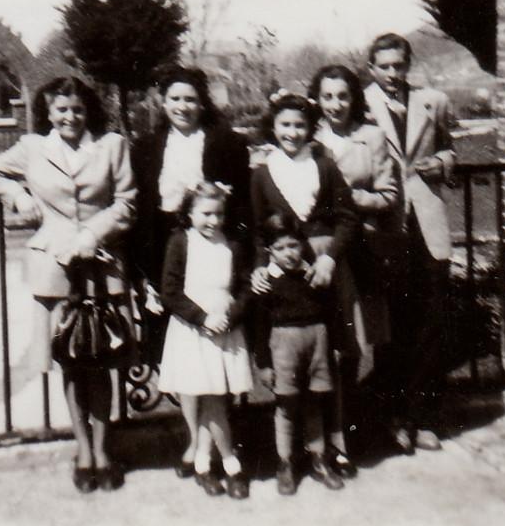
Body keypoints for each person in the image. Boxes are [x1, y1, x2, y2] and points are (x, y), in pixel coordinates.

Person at [0, 76, 136, 493]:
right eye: (62, 109)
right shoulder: (33, 148)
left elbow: (127, 202)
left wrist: (93, 235)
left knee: (102, 360)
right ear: (48, 112)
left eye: (78, 109)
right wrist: (19, 196)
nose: (70, 116)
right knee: (71, 358)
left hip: (101, 266)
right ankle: (83, 451)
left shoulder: (112, 146)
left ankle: (104, 451)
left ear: (89, 111)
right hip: (54, 267)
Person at [130, 66, 251, 476]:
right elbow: (141, 214)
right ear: (163, 103)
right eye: (175, 99)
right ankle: (196, 440)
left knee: (214, 352)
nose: (183, 107)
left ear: (203, 103)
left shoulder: (228, 145)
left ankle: (209, 445)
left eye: (191, 99)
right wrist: (144, 277)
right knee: (177, 356)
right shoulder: (146, 147)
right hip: (165, 253)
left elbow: (242, 214)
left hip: (212, 251)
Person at [363, 33, 457, 454]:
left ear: (408, 65)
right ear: (372, 68)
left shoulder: (432, 101)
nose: (392, 74)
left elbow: (450, 148)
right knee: (392, 327)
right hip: (386, 227)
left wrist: (439, 163)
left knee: (431, 323)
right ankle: (395, 418)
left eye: (399, 65)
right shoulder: (361, 103)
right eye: (384, 66)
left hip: (428, 222)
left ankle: (426, 419)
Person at [308, 64, 398, 476]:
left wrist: (349, 200)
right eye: (327, 97)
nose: (335, 105)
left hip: (361, 250)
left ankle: (352, 433)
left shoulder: (372, 136)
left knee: (356, 346)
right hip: (322, 251)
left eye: (342, 96)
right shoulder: (309, 140)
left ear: (353, 98)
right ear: (318, 99)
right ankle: (323, 437)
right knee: (323, 344)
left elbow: (389, 195)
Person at [156, 181, 253, 499]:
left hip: (224, 329)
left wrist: (230, 316)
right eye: (206, 214)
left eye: (219, 214)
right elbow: (170, 291)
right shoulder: (180, 242)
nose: (213, 221)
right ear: (189, 213)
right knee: (210, 401)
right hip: (193, 330)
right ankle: (230, 465)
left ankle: (202, 463)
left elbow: (243, 289)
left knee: (214, 401)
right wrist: (202, 318)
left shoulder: (232, 244)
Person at [248, 211, 345, 495]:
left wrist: (335, 347)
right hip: (284, 348)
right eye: (279, 248)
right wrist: (264, 364)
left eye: (293, 245)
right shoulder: (266, 283)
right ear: (269, 251)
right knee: (287, 405)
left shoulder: (314, 275)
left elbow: (333, 313)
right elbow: (259, 327)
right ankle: (285, 463)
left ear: (302, 244)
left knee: (316, 402)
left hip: (318, 344)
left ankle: (318, 459)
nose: (288, 253)